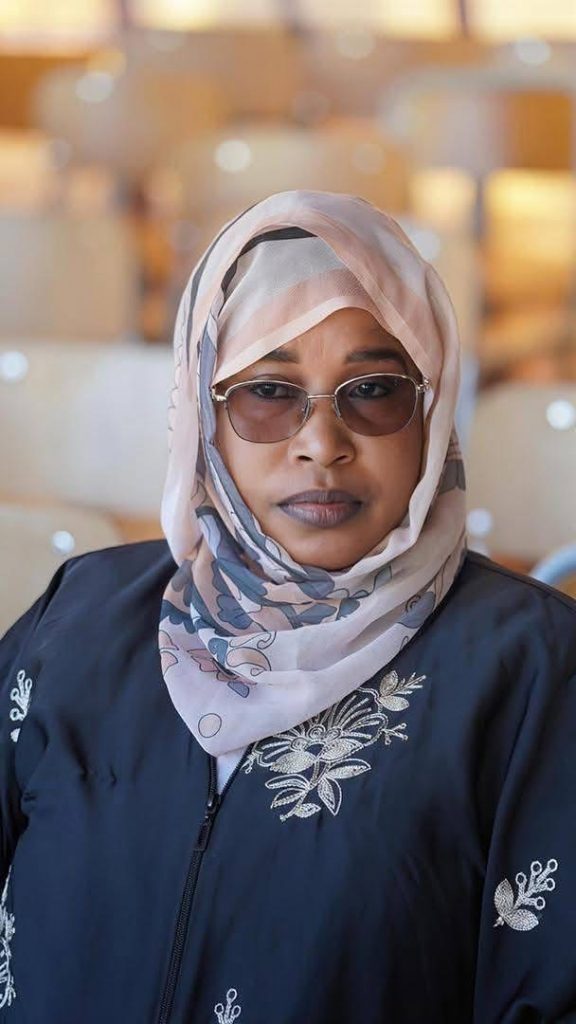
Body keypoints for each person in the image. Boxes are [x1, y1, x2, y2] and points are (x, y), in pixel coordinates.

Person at [0, 190, 574, 1024]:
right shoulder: (79, 621)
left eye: (373, 390)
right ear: (203, 411)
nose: (321, 444)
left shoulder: (530, 667)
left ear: (431, 408)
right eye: (268, 391)